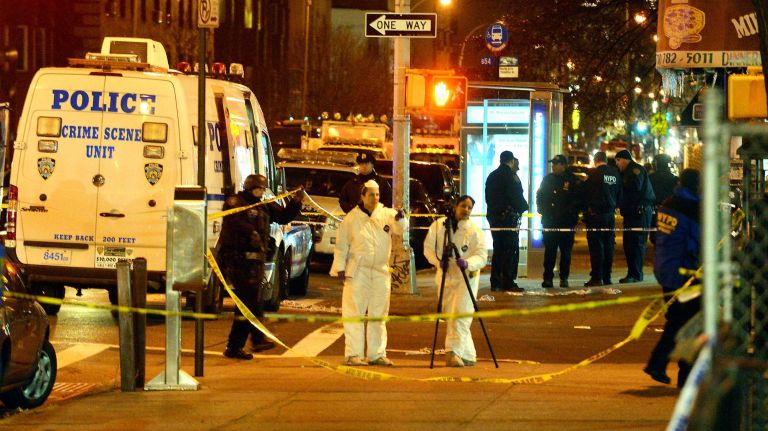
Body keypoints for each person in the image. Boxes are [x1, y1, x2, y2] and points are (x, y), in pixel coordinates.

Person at [221, 174, 305, 360]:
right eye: (257, 188)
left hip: (255, 262)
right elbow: (233, 221)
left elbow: (283, 217)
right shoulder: (236, 202)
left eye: (262, 188)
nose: (260, 191)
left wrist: (296, 202)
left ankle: (236, 346)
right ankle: (254, 340)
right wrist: (250, 232)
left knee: (249, 304)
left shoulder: (264, 205)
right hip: (238, 260)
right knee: (250, 302)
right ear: (249, 187)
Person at [331, 179, 406, 366]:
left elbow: (400, 229)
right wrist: (340, 267)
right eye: (371, 194)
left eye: (377, 194)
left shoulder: (386, 214)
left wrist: (401, 219)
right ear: (363, 196)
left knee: (378, 314)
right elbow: (341, 245)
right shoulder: (351, 218)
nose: (375, 198)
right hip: (358, 271)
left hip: (380, 271)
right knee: (354, 313)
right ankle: (353, 354)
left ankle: (377, 354)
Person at [644, 169, 701, 387]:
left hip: (666, 270)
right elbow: (700, 241)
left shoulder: (668, 204)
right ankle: (679, 373)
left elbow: (654, 236)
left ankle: (659, 364)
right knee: (689, 323)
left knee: (677, 320)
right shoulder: (692, 209)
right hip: (685, 274)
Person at [423, 195, 488, 367]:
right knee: (451, 315)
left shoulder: (474, 231)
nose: (466, 210)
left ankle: (452, 352)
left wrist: (468, 263)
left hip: (465, 277)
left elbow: (482, 256)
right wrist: (438, 262)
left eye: (469, 207)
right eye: (463, 206)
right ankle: (467, 354)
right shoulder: (439, 226)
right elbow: (428, 249)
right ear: (455, 206)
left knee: (461, 314)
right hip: (446, 276)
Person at [536, 154, 582, 288]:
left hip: (566, 223)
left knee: (566, 253)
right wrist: (542, 210)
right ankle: (548, 278)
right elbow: (540, 196)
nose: (553, 166)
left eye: (556, 164)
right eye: (553, 164)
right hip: (550, 221)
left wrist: (572, 214)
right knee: (550, 251)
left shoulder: (572, 180)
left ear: (563, 165)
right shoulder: (548, 179)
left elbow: (578, 200)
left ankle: (564, 278)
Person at [485, 150, 528, 292]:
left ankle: (495, 282)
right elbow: (516, 197)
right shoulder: (511, 176)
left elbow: (488, 198)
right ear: (511, 161)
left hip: (494, 218)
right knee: (510, 250)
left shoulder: (492, 176)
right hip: (508, 219)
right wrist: (524, 207)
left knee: (498, 249)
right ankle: (508, 281)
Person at [615, 149, 655, 283]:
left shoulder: (634, 171)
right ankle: (632, 273)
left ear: (622, 159)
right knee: (629, 243)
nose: (617, 165)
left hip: (639, 212)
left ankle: (636, 274)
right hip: (633, 212)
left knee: (637, 244)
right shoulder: (630, 171)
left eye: (618, 161)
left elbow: (634, 190)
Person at [582, 151, 622, 287]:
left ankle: (597, 277)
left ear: (595, 160)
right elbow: (619, 193)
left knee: (596, 246)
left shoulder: (594, 174)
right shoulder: (615, 174)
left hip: (596, 215)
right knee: (609, 245)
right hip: (610, 215)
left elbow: (585, 193)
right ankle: (607, 276)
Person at [648, 154, 678, 245]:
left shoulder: (650, 178)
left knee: (655, 235)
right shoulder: (674, 179)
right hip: (670, 210)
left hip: (655, 209)